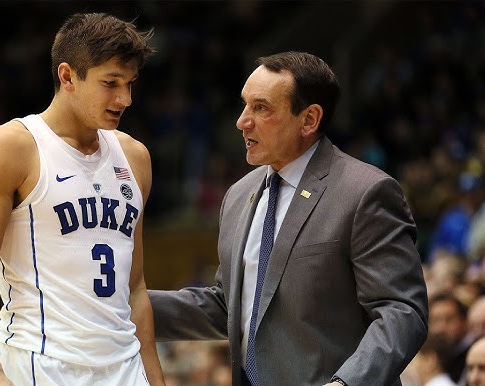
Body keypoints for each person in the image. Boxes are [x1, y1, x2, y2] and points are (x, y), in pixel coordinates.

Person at [149, 51, 428, 385]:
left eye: (261, 108)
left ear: (309, 120)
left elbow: (401, 311)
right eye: (244, 104)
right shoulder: (239, 195)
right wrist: (124, 304)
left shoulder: (366, 192)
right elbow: (231, 306)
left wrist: (346, 383)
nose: (242, 121)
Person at [0, 13, 165, 386]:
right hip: (42, 364)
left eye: (130, 84)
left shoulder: (135, 157)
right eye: (110, 83)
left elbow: (135, 287)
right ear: (67, 77)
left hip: (125, 367)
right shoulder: (11, 148)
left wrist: (154, 377)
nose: (125, 99)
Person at [428, 293, 471, 383]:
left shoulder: (472, 357)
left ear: (464, 322)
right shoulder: (429, 355)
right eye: (436, 320)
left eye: (449, 319)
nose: (441, 328)